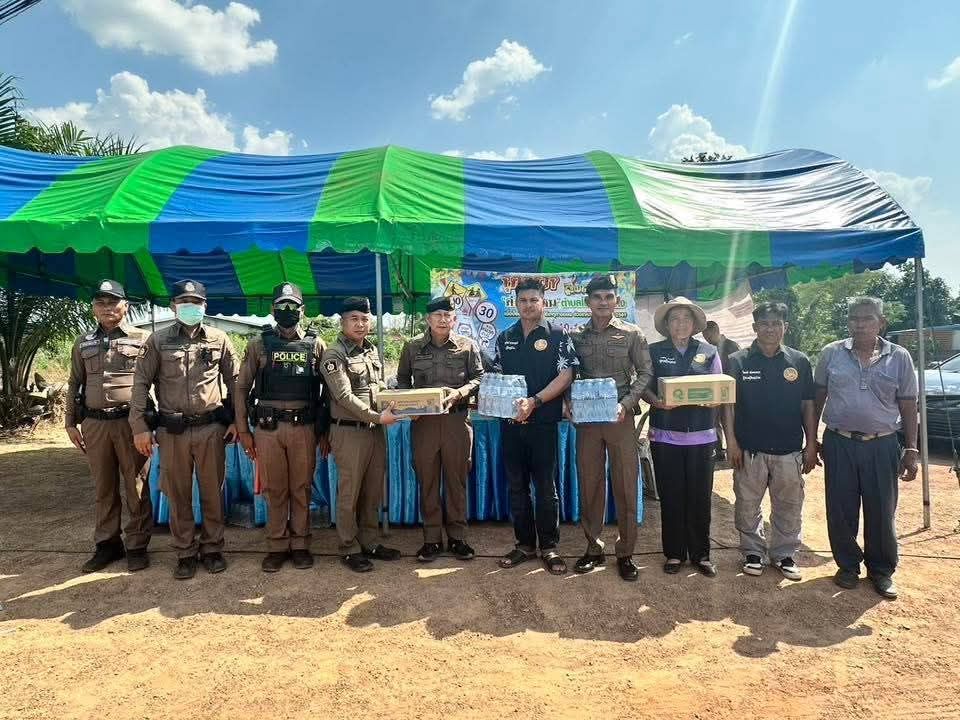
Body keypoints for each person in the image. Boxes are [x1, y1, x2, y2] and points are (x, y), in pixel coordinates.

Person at [129, 280, 239, 580]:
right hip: (172, 430)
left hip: (210, 428)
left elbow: (236, 382)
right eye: (184, 301)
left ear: (205, 305)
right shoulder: (157, 340)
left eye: (196, 302)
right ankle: (185, 552)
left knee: (212, 492)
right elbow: (140, 383)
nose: (191, 307)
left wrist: (236, 421)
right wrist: (139, 427)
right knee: (177, 494)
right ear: (173, 306)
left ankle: (213, 548)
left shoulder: (219, 338)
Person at [814, 297, 918, 600]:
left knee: (882, 510)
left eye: (867, 318)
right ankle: (847, 566)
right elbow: (817, 399)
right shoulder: (831, 353)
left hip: (882, 444)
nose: (859, 324)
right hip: (839, 442)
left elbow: (908, 404)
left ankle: (881, 570)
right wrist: (811, 441)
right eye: (854, 318)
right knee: (840, 509)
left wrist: (911, 448)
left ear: (881, 323)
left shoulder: (899, 357)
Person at [236, 283, 330, 573]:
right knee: (275, 489)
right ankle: (277, 545)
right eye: (282, 306)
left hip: (304, 428)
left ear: (302, 310)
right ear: (272, 309)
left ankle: (300, 545)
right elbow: (241, 388)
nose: (287, 311)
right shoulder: (258, 344)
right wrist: (243, 431)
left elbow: (330, 391)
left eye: (293, 306)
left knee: (301, 488)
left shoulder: (317, 344)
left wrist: (324, 430)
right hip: (269, 429)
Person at [722, 302, 818, 581]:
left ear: (785, 327)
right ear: (754, 327)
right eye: (764, 323)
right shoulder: (737, 360)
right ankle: (752, 552)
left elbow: (808, 404)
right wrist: (731, 442)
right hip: (749, 449)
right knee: (747, 504)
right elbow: (727, 405)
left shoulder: (799, 361)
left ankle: (784, 554)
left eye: (776, 323)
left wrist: (811, 444)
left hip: (789, 449)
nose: (770, 329)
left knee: (789, 505)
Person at [65, 279, 153, 573]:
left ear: (125, 306)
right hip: (94, 423)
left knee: (136, 485)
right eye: (100, 303)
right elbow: (74, 382)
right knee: (104, 487)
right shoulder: (82, 342)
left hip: (130, 423)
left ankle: (137, 545)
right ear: (93, 308)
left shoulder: (143, 339)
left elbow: (157, 381)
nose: (107, 308)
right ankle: (107, 545)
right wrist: (70, 422)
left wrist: (150, 425)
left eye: (113, 302)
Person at [569, 275, 652, 581]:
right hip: (588, 421)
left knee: (626, 484)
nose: (603, 302)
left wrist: (626, 404)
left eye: (608, 296)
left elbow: (645, 373)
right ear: (588, 302)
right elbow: (568, 374)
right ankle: (593, 548)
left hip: (620, 418)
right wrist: (568, 403)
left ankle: (626, 553)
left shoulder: (632, 333)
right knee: (590, 483)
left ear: (617, 300)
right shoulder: (576, 336)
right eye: (597, 297)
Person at [494, 277, 578, 575]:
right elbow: (496, 376)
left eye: (534, 300)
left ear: (544, 302)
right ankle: (525, 545)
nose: (528, 305)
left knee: (545, 487)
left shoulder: (558, 335)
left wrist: (535, 401)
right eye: (523, 300)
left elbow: (566, 375)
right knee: (517, 487)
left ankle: (549, 546)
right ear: (515, 303)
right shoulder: (505, 337)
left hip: (543, 423)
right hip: (511, 424)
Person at [396, 296, 484, 562]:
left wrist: (460, 392)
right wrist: (408, 406)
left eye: (448, 315)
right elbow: (402, 379)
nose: (443, 320)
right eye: (438, 315)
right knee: (428, 481)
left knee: (457, 480)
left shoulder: (467, 346)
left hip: (456, 421)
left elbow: (479, 378)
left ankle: (458, 538)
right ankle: (432, 539)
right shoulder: (412, 347)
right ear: (428, 319)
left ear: (454, 319)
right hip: (424, 423)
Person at [641, 296, 722, 577]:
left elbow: (720, 387)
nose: (680, 324)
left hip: (702, 437)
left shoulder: (709, 351)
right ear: (666, 324)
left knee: (700, 497)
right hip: (665, 436)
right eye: (674, 318)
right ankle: (674, 553)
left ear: (695, 323)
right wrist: (656, 401)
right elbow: (644, 386)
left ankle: (701, 554)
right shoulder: (653, 351)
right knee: (672, 496)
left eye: (686, 318)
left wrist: (714, 400)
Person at [320, 296, 402, 573]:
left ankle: (369, 542)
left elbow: (378, 389)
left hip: (374, 431)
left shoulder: (371, 350)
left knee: (372, 490)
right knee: (350, 492)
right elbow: (344, 396)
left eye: (365, 319)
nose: (360, 324)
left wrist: (403, 406)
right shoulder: (334, 354)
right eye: (354, 319)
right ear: (342, 322)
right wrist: (378, 417)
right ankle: (348, 547)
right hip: (349, 432)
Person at [703, 320, 741, 460]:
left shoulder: (732, 346)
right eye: (704, 335)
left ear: (715, 330)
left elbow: (739, 368)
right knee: (714, 421)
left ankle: (736, 448)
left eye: (707, 334)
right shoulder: (707, 349)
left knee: (732, 420)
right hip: (715, 391)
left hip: (732, 390)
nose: (706, 337)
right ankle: (718, 451)